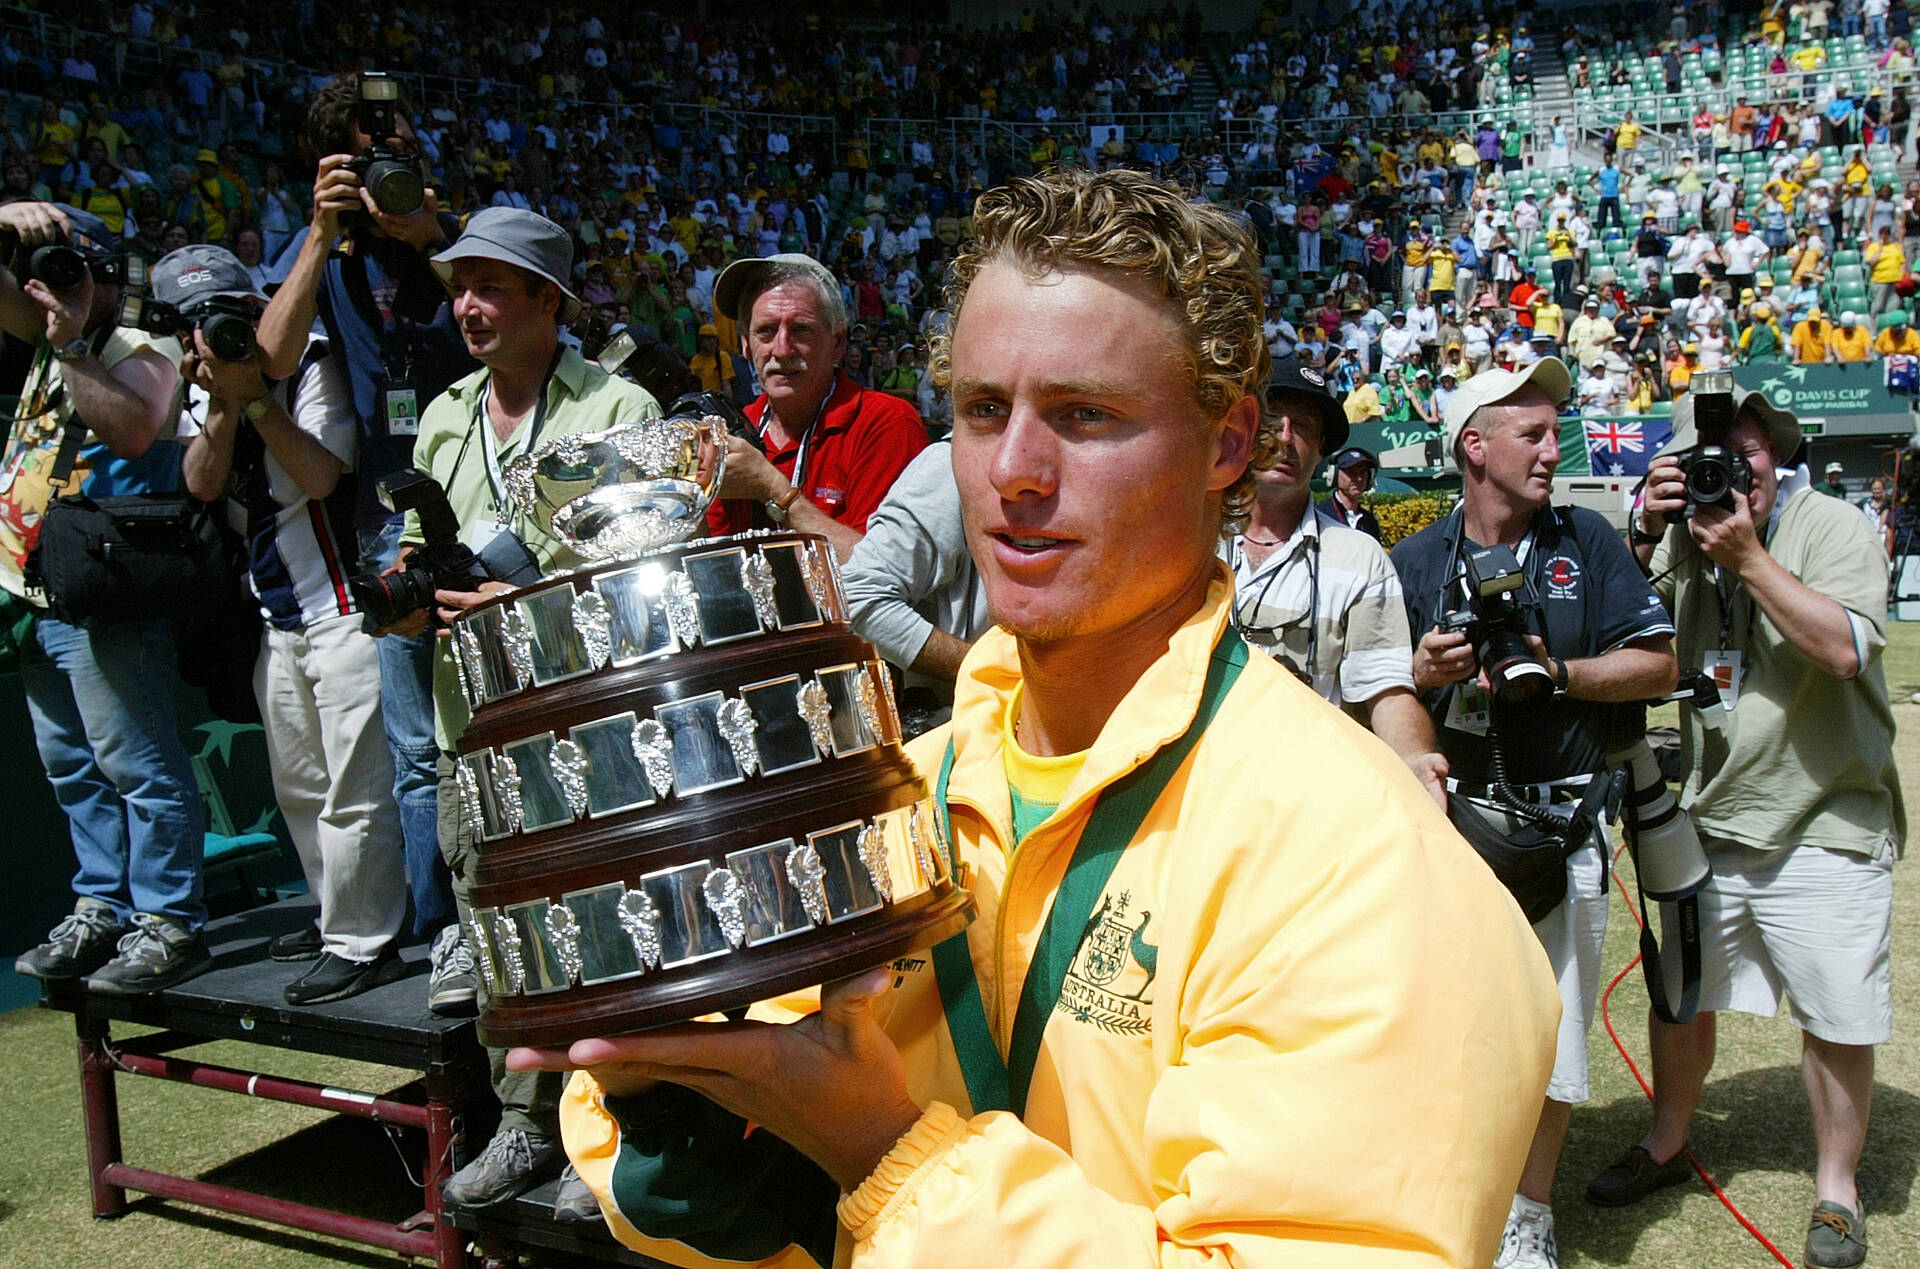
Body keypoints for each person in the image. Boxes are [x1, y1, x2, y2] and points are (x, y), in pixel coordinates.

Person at [524, 168, 1559, 1269]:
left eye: (1085, 415)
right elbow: (742, 1190)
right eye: (982, 411)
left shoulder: (1364, 862)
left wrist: (880, 1151)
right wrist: (678, 1107)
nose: (1012, 472)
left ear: (1226, 444)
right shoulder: (891, 794)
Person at [391, 208, 663, 1217]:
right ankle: (523, 1125)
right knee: (496, 933)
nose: (467, 306)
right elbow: (417, 548)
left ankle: (614, 1128)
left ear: (549, 299)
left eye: (491, 287)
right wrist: (407, 594)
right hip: (469, 721)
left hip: (582, 724)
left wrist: (527, 601)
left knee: (603, 929)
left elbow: (641, 578)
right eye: (459, 287)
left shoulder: (620, 405)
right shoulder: (443, 413)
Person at [1605, 387, 1903, 1269]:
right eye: (1711, 461)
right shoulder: (1683, 536)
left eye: (1748, 453)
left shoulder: (1832, 526)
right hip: (1709, 817)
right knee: (1680, 995)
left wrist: (1747, 558)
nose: (1733, 474)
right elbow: (1623, 631)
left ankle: (1836, 1191)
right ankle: (1667, 1139)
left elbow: (1845, 648)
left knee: (1837, 1014)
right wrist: (1643, 532)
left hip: (1824, 814)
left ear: (1776, 452)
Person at [1391, 360, 1680, 1269]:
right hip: (1450, 827)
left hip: (1563, 828)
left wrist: (1558, 673)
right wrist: (1422, 672)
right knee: (1443, 1025)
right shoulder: (1417, 559)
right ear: (1475, 445)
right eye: (1535, 434)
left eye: (1558, 432)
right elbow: (1376, 694)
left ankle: (1528, 1214)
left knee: (1552, 1031)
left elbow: (1659, 664)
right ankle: (1445, 1193)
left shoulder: (1586, 540)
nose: (1556, 450)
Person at [256, 73, 473, 997]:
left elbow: (519, 316)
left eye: (399, 142)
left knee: (491, 731)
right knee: (414, 749)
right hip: (389, 522)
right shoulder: (326, 256)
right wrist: (319, 231)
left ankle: (497, 917)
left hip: (485, 498)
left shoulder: (455, 233)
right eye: (367, 150)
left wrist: (427, 236)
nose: (391, 161)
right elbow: (266, 357)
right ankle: (438, 933)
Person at [171, 245, 408, 1004]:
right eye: (197, 324)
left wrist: (256, 398)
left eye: (234, 317)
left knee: (354, 789)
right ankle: (336, 910)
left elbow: (321, 473)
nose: (221, 335)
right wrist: (224, 400)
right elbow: (201, 482)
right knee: (301, 786)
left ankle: (363, 940)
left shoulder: (311, 363)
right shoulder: (206, 387)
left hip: (345, 607)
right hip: (278, 614)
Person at [3, 203, 210, 995]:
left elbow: (131, 430)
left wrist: (72, 343)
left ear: (109, 277)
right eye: (45, 271)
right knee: (71, 767)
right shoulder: (39, 327)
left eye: (74, 272)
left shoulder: (138, 343)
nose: (60, 286)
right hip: (30, 590)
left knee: (137, 763)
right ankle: (102, 906)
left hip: (103, 588)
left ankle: (170, 920)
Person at [1230, 361, 1445, 802]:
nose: (1285, 438)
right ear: (1244, 429)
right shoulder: (1185, 540)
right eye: (1272, 420)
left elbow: (1386, 690)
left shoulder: (1361, 558)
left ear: (1321, 450)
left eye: (1304, 427)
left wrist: (1414, 760)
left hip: (1309, 798)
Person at [704, 253, 926, 559]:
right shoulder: (736, 432)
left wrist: (774, 490)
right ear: (745, 344)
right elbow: (712, 559)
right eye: (766, 330)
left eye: (801, 329)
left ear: (838, 343)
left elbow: (884, 568)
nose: (782, 350)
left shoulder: (886, 423)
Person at [1321, 442, 1384, 540]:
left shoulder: (1369, 521)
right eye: (1351, 472)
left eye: (1362, 473)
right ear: (1334, 475)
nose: (1359, 478)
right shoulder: (1321, 514)